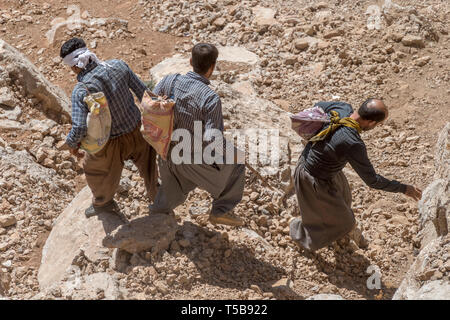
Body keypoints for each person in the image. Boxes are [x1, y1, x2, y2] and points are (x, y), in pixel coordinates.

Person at [289, 99, 422, 252]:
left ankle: (334, 229)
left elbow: (318, 105)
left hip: (319, 164)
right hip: (312, 178)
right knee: (345, 222)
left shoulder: (342, 108)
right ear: (371, 123)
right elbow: (372, 180)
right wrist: (404, 189)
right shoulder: (353, 143)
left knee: (344, 196)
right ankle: (298, 231)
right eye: (379, 124)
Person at [149, 43, 246, 227]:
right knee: (238, 161)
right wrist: (231, 152)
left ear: (191, 61)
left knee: (171, 192)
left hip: (165, 151)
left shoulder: (169, 80)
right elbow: (212, 140)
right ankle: (221, 210)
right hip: (190, 157)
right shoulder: (210, 98)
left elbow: (151, 103)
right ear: (212, 67)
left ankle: (155, 219)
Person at [60, 37, 157, 217]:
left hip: (109, 142)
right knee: (150, 167)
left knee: (95, 170)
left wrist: (72, 144)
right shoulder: (119, 66)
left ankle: (103, 203)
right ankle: (158, 200)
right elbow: (143, 92)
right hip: (137, 129)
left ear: (73, 66)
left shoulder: (81, 90)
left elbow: (80, 126)